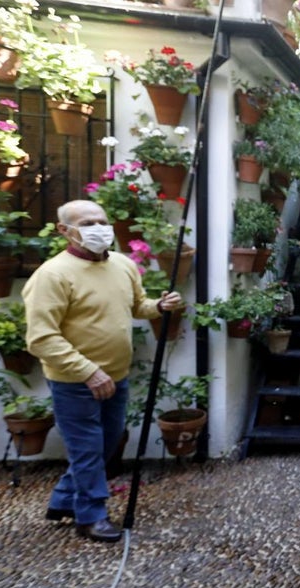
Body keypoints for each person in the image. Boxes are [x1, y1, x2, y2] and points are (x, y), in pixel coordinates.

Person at [24, 200, 184, 544]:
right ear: (65, 230)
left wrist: (158, 306)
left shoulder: (123, 265)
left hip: (116, 375)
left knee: (107, 443)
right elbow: (41, 338)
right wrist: (88, 371)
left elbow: (135, 305)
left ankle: (64, 500)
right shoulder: (52, 275)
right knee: (87, 448)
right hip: (75, 381)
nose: (99, 227)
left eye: (102, 220)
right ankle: (91, 516)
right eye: (88, 222)